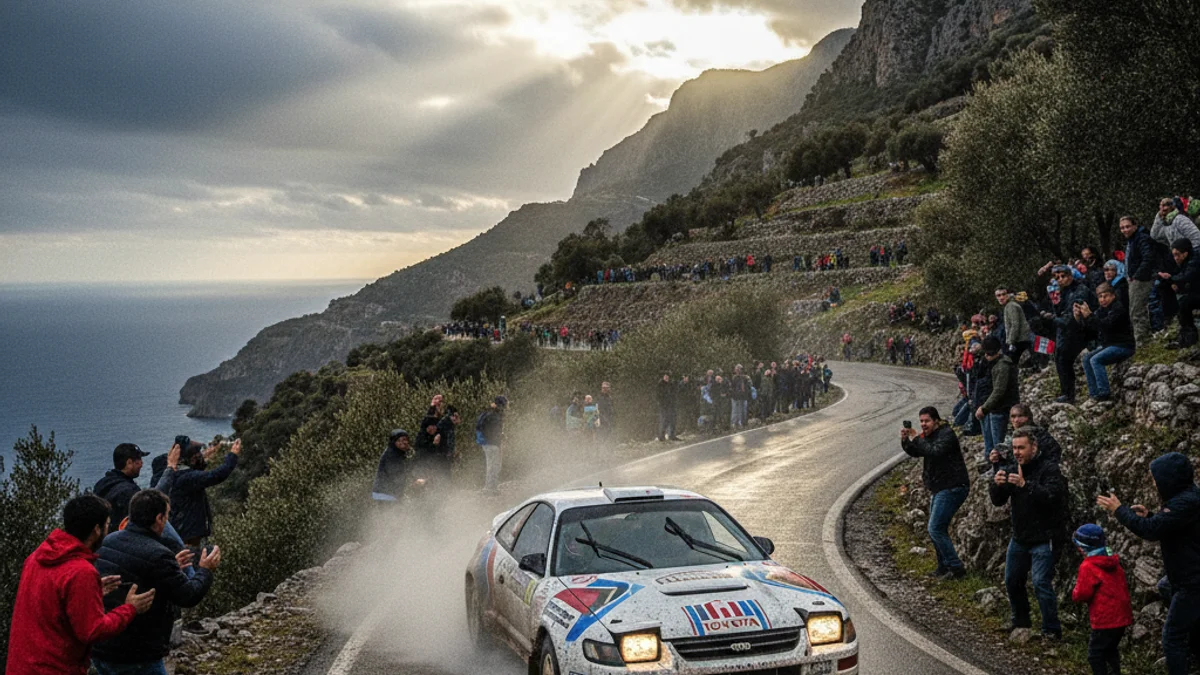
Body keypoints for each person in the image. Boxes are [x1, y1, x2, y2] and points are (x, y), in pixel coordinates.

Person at [5, 495, 155, 675]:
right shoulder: (81, 572)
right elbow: (93, 631)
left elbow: (50, 601)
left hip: (21, 666)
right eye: (107, 525)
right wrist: (130, 609)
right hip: (55, 669)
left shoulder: (36, 557)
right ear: (96, 529)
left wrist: (91, 592)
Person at [92, 490, 221, 675]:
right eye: (167, 515)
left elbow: (138, 575)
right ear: (159, 518)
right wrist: (205, 570)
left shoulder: (109, 540)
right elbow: (188, 596)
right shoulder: (158, 554)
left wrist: (172, 567)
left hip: (101, 647)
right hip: (136, 654)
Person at [1098, 452, 1200, 674]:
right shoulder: (1186, 498)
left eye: (1156, 478)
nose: (1153, 482)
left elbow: (1151, 531)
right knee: (1165, 587)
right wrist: (1151, 515)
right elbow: (1168, 525)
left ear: (1169, 478)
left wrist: (1119, 510)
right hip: (1184, 576)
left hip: (1192, 581)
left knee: (1172, 637)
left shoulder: (1185, 503)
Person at [990, 430, 1067, 639]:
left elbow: (1053, 497)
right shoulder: (1012, 467)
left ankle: (1051, 630)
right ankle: (1020, 621)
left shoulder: (1049, 469)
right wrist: (996, 484)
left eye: (1021, 448)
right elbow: (998, 501)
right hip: (1020, 536)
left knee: (1041, 582)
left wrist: (1025, 485)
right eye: (1014, 448)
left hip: (1045, 536)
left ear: (1033, 447)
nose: (1017, 452)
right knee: (1012, 580)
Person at [901, 407, 970, 579]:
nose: (923, 424)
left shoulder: (947, 435)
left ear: (936, 421)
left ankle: (956, 568)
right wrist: (906, 441)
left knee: (935, 528)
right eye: (921, 421)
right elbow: (918, 452)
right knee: (936, 529)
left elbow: (934, 451)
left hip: (952, 486)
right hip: (939, 487)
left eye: (927, 421)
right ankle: (943, 567)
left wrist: (917, 438)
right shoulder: (931, 435)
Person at [1070, 523, 1132, 675]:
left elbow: (1082, 593)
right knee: (1110, 651)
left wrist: (1074, 593)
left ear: (1082, 548)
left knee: (1095, 655)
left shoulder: (1088, 566)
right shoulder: (1113, 562)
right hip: (1122, 616)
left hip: (1105, 618)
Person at [167, 439, 240, 546]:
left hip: (184, 530)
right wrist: (233, 454)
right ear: (191, 459)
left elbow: (200, 468)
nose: (201, 456)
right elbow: (217, 475)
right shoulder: (187, 477)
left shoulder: (175, 473)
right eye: (197, 454)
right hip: (190, 535)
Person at [1042, 264, 1097, 403]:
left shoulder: (1079, 291)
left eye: (1063, 276)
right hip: (1068, 330)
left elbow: (1071, 320)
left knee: (1063, 357)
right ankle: (1067, 392)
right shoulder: (1064, 291)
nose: (1060, 279)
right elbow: (1061, 311)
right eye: (1057, 277)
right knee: (1060, 357)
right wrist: (1055, 304)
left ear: (1070, 276)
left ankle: (1069, 394)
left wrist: (1052, 318)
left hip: (1082, 330)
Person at [1078, 283, 1136, 401]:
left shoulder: (1118, 309)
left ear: (1113, 296)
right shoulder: (1102, 310)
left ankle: (1104, 392)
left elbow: (1105, 325)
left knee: (1095, 360)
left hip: (1123, 345)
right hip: (1109, 345)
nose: (1103, 300)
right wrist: (1082, 317)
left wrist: (1089, 315)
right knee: (1086, 359)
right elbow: (1092, 327)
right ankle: (1094, 394)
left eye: (1106, 296)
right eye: (1100, 297)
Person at [975, 336, 1018, 462]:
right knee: (991, 444)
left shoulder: (1002, 366)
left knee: (998, 446)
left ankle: (999, 467)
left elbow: (999, 391)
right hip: (991, 408)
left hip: (999, 409)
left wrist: (984, 408)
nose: (986, 356)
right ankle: (992, 464)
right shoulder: (993, 363)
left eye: (988, 353)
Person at [1121, 215, 1160, 345]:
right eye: (1122, 228)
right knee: (1136, 310)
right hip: (1136, 278)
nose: (1125, 230)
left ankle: (1143, 342)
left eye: (1127, 226)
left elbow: (1148, 258)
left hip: (1142, 279)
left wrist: (1136, 275)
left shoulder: (1141, 238)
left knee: (1136, 311)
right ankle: (1142, 340)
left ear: (1135, 225)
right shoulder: (1133, 240)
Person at [92, 443, 151, 526]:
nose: (142, 464)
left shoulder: (102, 483)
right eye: (139, 460)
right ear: (129, 462)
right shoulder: (130, 491)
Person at [1158, 239, 1199, 348]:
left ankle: (1189, 338)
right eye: (1174, 255)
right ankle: (1185, 337)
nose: (1176, 258)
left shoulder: (1195, 260)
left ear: (1185, 253)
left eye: (1177, 254)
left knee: (1184, 304)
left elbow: (1187, 276)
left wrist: (1172, 279)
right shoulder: (1186, 261)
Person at [372, 429, 413, 504]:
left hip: (388, 492)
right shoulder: (391, 455)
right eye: (399, 440)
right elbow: (396, 474)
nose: (403, 442)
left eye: (405, 439)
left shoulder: (399, 453)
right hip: (385, 493)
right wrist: (413, 480)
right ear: (394, 442)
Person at [478, 396, 506, 495]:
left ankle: (490, 487)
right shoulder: (495, 415)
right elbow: (492, 430)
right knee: (494, 465)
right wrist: (495, 438)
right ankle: (490, 488)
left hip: (487, 443)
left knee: (491, 465)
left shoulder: (490, 413)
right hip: (492, 443)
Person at [996, 287, 1032, 363]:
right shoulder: (1010, 305)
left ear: (1008, 295)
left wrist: (1010, 342)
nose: (1001, 297)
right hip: (1021, 340)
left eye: (1003, 294)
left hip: (1020, 341)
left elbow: (1015, 325)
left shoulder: (1010, 306)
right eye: (998, 295)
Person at [656, 373, 678, 441]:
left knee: (672, 420)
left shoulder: (671, 384)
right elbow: (658, 396)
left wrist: (673, 401)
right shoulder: (660, 385)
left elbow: (674, 394)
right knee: (664, 420)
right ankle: (661, 436)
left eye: (667, 376)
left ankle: (671, 435)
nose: (666, 377)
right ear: (663, 377)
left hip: (671, 405)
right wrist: (662, 403)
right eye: (665, 376)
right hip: (664, 406)